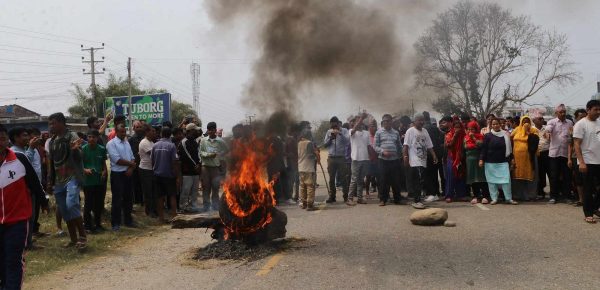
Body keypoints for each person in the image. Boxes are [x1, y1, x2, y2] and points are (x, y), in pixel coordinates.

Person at [0, 124, 48, 290]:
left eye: (3, 139)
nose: (1, 143)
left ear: (7, 140)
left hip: (18, 220)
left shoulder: (19, 159)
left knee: (13, 260)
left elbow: (34, 182)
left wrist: (43, 201)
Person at [47, 112, 88, 249]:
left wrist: (75, 150)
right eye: (50, 123)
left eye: (53, 123)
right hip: (59, 181)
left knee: (72, 205)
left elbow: (81, 155)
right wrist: (49, 181)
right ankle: (73, 239)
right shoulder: (52, 141)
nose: (51, 126)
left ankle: (82, 237)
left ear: (61, 123)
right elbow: (51, 163)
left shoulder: (72, 136)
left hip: (72, 177)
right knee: (64, 210)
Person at [8, 126, 47, 250]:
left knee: (31, 216)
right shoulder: (14, 152)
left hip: (32, 189)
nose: (28, 138)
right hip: (25, 190)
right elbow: (25, 167)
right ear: (15, 138)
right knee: (26, 217)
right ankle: (26, 243)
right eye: (24, 135)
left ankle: (28, 241)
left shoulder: (26, 150)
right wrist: (31, 148)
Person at [573, 100, 600, 223]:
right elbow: (577, 144)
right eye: (596, 109)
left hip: (599, 160)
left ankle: (595, 207)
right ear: (588, 110)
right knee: (588, 188)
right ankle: (588, 213)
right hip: (588, 161)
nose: (598, 112)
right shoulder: (581, 124)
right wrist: (581, 162)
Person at [403, 113, 438, 209]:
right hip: (414, 160)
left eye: (423, 120)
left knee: (421, 180)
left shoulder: (425, 131)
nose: (422, 122)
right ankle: (416, 201)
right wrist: (405, 157)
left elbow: (429, 145)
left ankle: (418, 199)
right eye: (419, 120)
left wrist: (434, 155)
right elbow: (405, 145)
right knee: (417, 180)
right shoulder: (410, 131)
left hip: (423, 159)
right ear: (414, 121)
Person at [479, 118, 518, 205]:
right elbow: (484, 149)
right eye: (493, 124)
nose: (495, 125)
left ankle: (508, 198)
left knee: (506, 181)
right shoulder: (487, 136)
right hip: (490, 163)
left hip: (503, 162)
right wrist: (481, 159)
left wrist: (512, 159)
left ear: (500, 125)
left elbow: (510, 149)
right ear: (491, 125)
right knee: (492, 182)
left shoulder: (505, 135)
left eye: (497, 124)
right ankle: (494, 199)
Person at [106, 124, 136, 231]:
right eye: (122, 132)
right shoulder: (111, 144)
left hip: (128, 173)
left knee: (128, 199)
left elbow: (132, 157)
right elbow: (116, 160)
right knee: (117, 200)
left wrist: (131, 168)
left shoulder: (126, 142)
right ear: (116, 132)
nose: (124, 134)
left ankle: (128, 221)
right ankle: (115, 223)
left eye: (125, 132)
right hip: (117, 175)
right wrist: (131, 165)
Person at [545, 104, 574, 204]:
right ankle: (553, 196)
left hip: (566, 154)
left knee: (567, 176)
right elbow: (548, 128)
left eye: (564, 112)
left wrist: (570, 157)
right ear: (556, 113)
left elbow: (571, 139)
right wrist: (548, 132)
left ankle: (567, 196)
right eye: (561, 112)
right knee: (554, 176)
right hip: (554, 154)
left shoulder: (570, 122)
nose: (563, 114)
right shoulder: (552, 122)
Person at [81, 130, 108, 232]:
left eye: (93, 137)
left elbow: (103, 163)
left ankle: (98, 224)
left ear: (97, 138)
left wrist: (105, 172)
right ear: (87, 138)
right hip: (88, 181)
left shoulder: (101, 149)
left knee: (98, 204)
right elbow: (79, 165)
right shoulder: (83, 149)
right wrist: (85, 170)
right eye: (89, 137)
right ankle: (87, 226)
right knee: (88, 204)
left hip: (99, 180)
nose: (91, 139)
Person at [152, 127, 180, 221]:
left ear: (161, 134)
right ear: (170, 135)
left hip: (157, 175)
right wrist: (176, 176)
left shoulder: (155, 145)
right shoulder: (172, 146)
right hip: (169, 175)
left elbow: (152, 160)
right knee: (172, 196)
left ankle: (161, 218)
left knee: (160, 197)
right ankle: (174, 217)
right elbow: (175, 162)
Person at [374, 114, 403, 206]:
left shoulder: (396, 132)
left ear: (391, 122)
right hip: (383, 160)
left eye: (388, 121)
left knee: (395, 180)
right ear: (382, 122)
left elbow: (399, 146)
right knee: (383, 180)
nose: (386, 122)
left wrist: (402, 154)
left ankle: (397, 199)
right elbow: (375, 146)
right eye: (385, 121)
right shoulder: (378, 132)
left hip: (394, 160)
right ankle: (383, 199)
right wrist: (382, 151)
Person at [199, 122, 228, 211]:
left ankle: (215, 206)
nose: (210, 132)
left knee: (215, 187)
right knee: (206, 187)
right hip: (205, 168)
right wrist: (209, 155)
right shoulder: (203, 140)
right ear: (207, 130)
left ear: (215, 130)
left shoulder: (221, 141)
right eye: (209, 130)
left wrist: (220, 156)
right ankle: (206, 206)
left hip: (215, 168)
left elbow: (227, 150)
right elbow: (201, 152)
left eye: (212, 130)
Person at [511, 116, 539, 201]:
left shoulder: (534, 130)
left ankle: (530, 195)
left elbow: (535, 141)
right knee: (517, 176)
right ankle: (517, 195)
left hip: (529, 157)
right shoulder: (516, 130)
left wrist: (527, 133)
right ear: (520, 122)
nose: (525, 123)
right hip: (517, 157)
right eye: (524, 122)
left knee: (530, 176)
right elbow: (510, 138)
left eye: (527, 122)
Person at [323, 116, 350, 203]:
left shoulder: (344, 130)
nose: (333, 128)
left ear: (338, 124)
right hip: (331, 158)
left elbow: (347, 142)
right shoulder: (328, 132)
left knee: (343, 178)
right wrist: (330, 138)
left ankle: (346, 197)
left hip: (341, 157)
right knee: (331, 178)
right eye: (332, 126)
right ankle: (332, 196)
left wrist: (339, 133)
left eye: (335, 126)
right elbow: (325, 145)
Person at [347, 113, 370, 206]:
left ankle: (360, 198)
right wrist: (361, 118)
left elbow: (368, 146)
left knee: (361, 180)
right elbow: (354, 129)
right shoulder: (352, 131)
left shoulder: (366, 133)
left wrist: (370, 157)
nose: (358, 122)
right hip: (356, 159)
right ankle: (350, 198)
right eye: (357, 120)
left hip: (365, 159)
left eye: (359, 120)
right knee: (354, 179)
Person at [178, 123, 201, 212]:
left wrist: (199, 163)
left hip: (196, 170)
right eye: (195, 130)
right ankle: (183, 207)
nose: (197, 131)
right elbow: (186, 156)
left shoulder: (195, 142)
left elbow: (198, 154)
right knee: (186, 190)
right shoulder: (183, 142)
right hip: (187, 171)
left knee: (194, 190)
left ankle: (193, 206)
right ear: (190, 131)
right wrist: (195, 165)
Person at [464, 121, 489, 204]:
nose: (470, 131)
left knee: (482, 178)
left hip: (479, 159)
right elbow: (464, 148)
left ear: (476, 129)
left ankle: (485, 196)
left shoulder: (480, 136)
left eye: (472, 129)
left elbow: (481, 146)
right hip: (469, 160)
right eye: (469, 129)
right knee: (473, 179)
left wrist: (474, 138)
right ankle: (476, 196)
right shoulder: (465, 137)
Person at [444, 119, 467, 202]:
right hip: (452, 158)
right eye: (456, 127)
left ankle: (461, 195)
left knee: (460, 176)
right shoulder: (449, 135)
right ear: (453, 128)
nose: (457, 129)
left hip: (461, 158)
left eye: (459, 127)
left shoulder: (464, 135)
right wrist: (455, 135)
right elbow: (449, 145)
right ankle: (449, 195)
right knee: (451, 176)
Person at [423, 111, 444, 201]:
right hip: (437, 153)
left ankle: (431, 193)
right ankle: (436, 192)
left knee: (428, 174)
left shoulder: (423, 129)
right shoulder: (435, 128)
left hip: (428, 154)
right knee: (434, 174)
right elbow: (441, 138)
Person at [568, 109, 587, 207]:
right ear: (576, 118)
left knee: (590, 179)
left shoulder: (591, 127)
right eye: (580, 117)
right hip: (576, 157)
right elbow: (570, 145)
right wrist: (569, 158)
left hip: (588, 157)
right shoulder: (573, 129)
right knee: (578, 179)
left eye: (585, 117)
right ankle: (581, 199)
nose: (583, 119)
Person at [138, 124, 158, 217]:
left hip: (152, 169)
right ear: (147, 132)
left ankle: (154, 210)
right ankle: (149, 211)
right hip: (145, 170)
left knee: (154, 191)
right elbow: (154, 154)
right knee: (148, 192)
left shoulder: (152, 142)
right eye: (152, 131)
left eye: (154, 131)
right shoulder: (144, 142)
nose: (154, 133)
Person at [297, 129, 319, 211]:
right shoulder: (309, 143)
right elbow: (312, 154)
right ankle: (310, 205)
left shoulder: (299, 143)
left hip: (301, 167)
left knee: (302, 186)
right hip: (308, 168)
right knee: (310, 186)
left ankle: (304, 204)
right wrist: (316, 154)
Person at [128, 120, 146, 206]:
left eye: (140, 127)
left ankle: (144, 200)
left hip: (145, 164)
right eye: (137, 127)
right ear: (133, 128)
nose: (139, 129)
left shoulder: (146, 137)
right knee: (136, 183)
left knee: (144, 182)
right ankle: (137, 200)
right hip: (135, 164)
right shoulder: (131, 139)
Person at [533, 113, 550, 200]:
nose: (541, 120)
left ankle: (553, 192)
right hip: (537, 154)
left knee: (550, 173)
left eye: (542, 118)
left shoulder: (547, 129)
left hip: (547, 153)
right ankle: (540, 191)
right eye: (539, 119)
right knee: (540, 173)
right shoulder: (532, 130)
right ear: (534, 121)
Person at [365, 120, 378, 195]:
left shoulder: (378, 134)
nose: (373, 127)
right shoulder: (366, 135)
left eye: (374, 125)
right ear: (369, 127)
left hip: (377, 159)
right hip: (369, 159)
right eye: (372, 125)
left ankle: (380, 193)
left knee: (379, 177)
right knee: (368, 176)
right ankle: (367, 192)